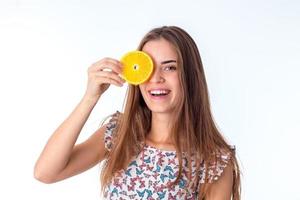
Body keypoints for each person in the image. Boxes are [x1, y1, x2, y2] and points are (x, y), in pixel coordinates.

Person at [34, 26, 241, 200]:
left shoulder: (213, 161)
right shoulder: (120, 134)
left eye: (169, 68)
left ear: (190, 76)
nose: (155, 78)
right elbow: (45, 172)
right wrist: (90, 98)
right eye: (148, 68)